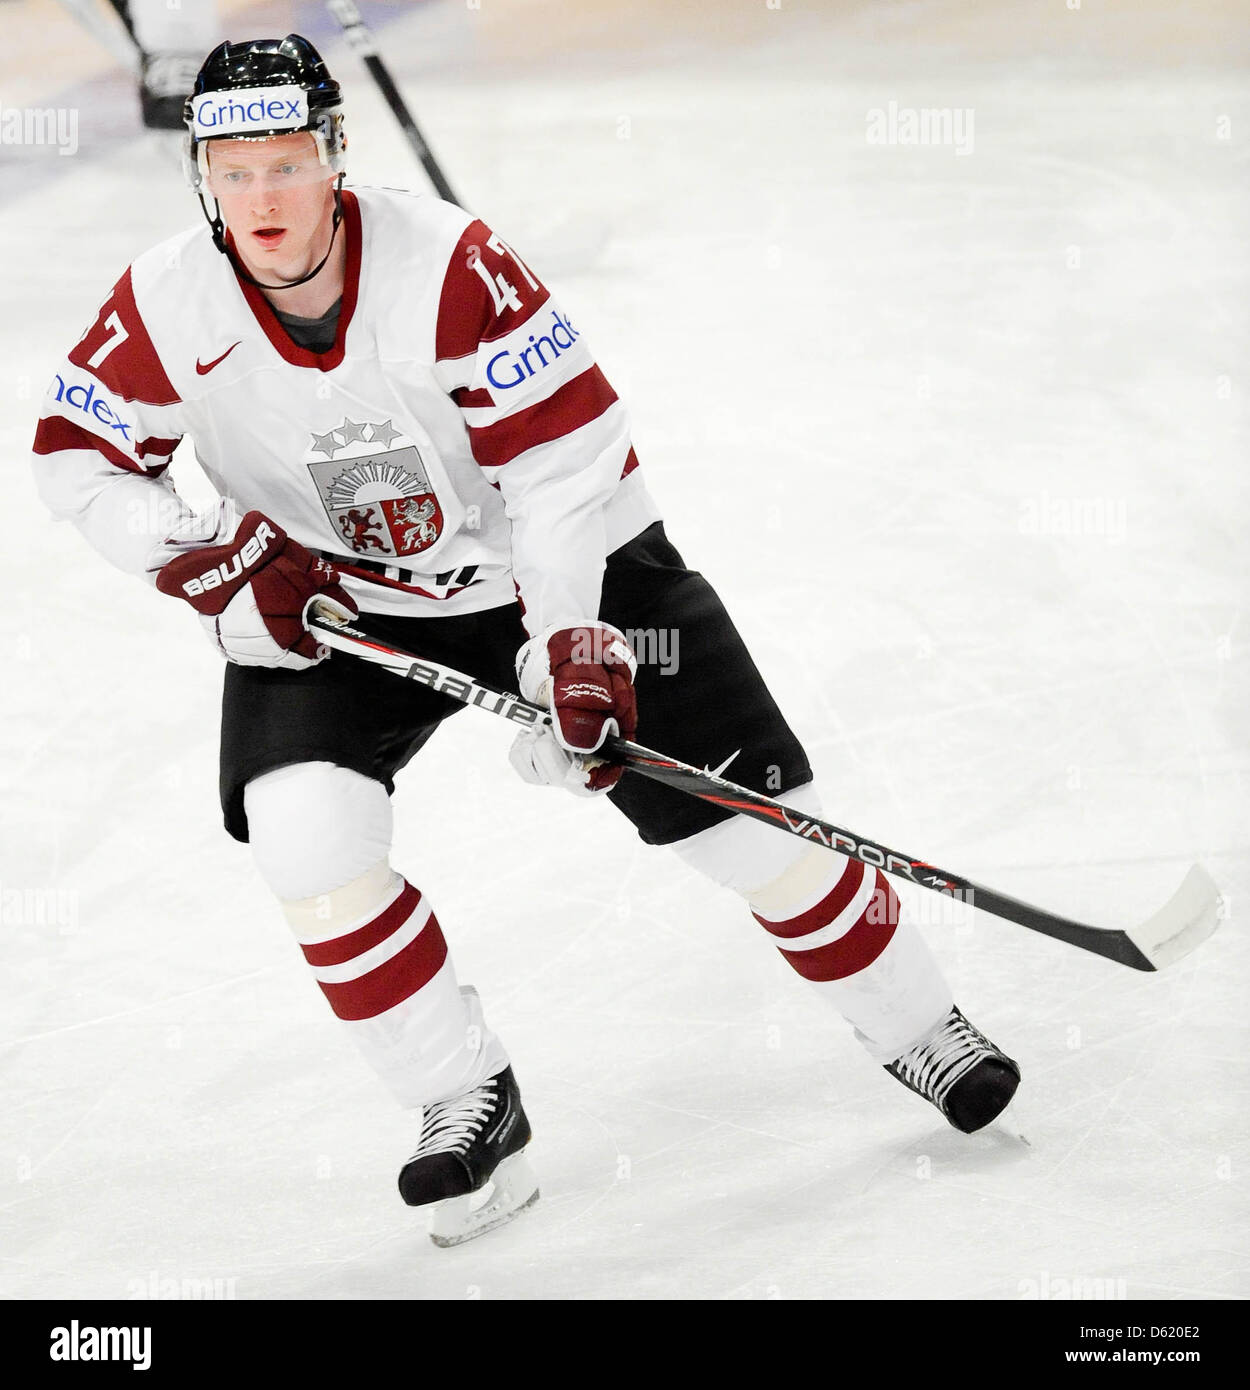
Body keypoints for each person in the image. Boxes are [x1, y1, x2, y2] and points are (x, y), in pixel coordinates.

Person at [31, 35, 1019, 1247]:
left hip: (557, 562)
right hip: (338, 604)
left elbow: (562, 473)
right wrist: (203, 555)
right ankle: (464, 1098)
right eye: (234, 173)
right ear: (199, 176)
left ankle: (916, 1023)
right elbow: (76, 457)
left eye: (286, 165)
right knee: (304, 839)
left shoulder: (453, 265)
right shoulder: (163, 296)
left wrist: (571, 644)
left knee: (748, 829)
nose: (263, 201)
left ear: (335, 155)